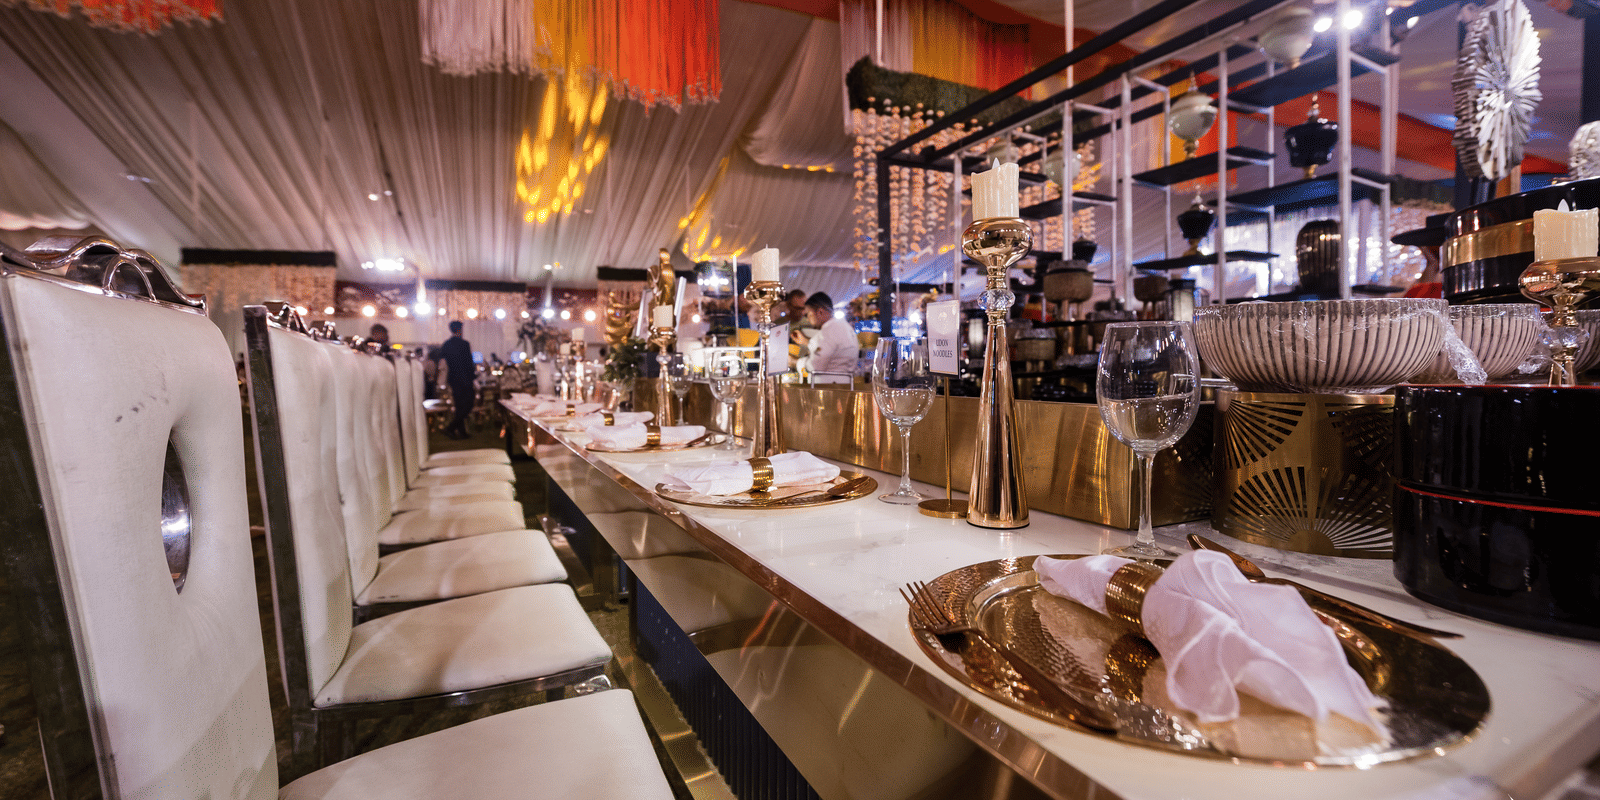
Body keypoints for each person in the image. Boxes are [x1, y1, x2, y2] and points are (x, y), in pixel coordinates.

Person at [803, 292, 859, 383]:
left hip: (828, 387)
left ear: (820, 312)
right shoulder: (844, 326)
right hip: (845, 383)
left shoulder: (828, 331)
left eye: (808, 314)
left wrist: (798, 362)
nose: (807, 319)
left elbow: (815, 366)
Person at [438, 321, 476, 439]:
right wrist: (473, 377)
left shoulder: (446, 344)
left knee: (460, 406)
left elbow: (442, 360)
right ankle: (450, 428)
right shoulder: (465, 344)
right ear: (460, 329)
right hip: (465, 379)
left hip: (453, 379)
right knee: (469, 404)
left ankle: (460, 432)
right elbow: (469, 363)